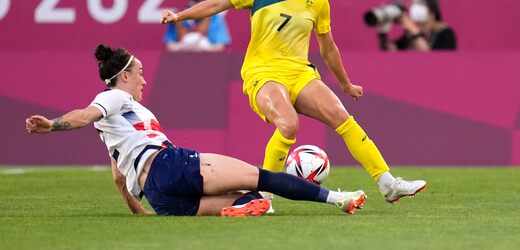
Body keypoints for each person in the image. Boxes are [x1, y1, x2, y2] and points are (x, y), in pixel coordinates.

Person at [161, 0, 427, 208]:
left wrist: (346, 84)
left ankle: (388, 185)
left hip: (299, 72)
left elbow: (328, 48)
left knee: (342, 116)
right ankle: (264, 197)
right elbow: (216, 4)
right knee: (288, 125)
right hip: (262, 73)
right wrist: (178, 17)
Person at [25, 44, 368, 217]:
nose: (144, 79)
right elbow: (84, 114)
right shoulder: (113, 97)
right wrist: (53, 125)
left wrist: (140, 212)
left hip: (159, 198)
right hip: (170, 166)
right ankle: (340, 199)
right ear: (124, 76)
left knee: (248, 201)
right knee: (261, 178)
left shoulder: (112, 128)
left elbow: (118, 175)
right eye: (140, 72)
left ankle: (248, 208)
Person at [164, 0, 231, 52]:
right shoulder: (176, 16)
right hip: (181, 60)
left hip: (208, 61)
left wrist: (202, 47)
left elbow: (220, 46)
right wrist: (185, 47)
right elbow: (170, 45)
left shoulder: (214, 17)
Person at [379, 0, 457, 51]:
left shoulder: (445, 33)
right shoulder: (409, 35)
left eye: (418, 3)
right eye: (412, 4)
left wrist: (413, 29)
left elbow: (432, 57)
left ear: (432, 8)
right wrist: (382, 32)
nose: (413, 7)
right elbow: (393, 50)